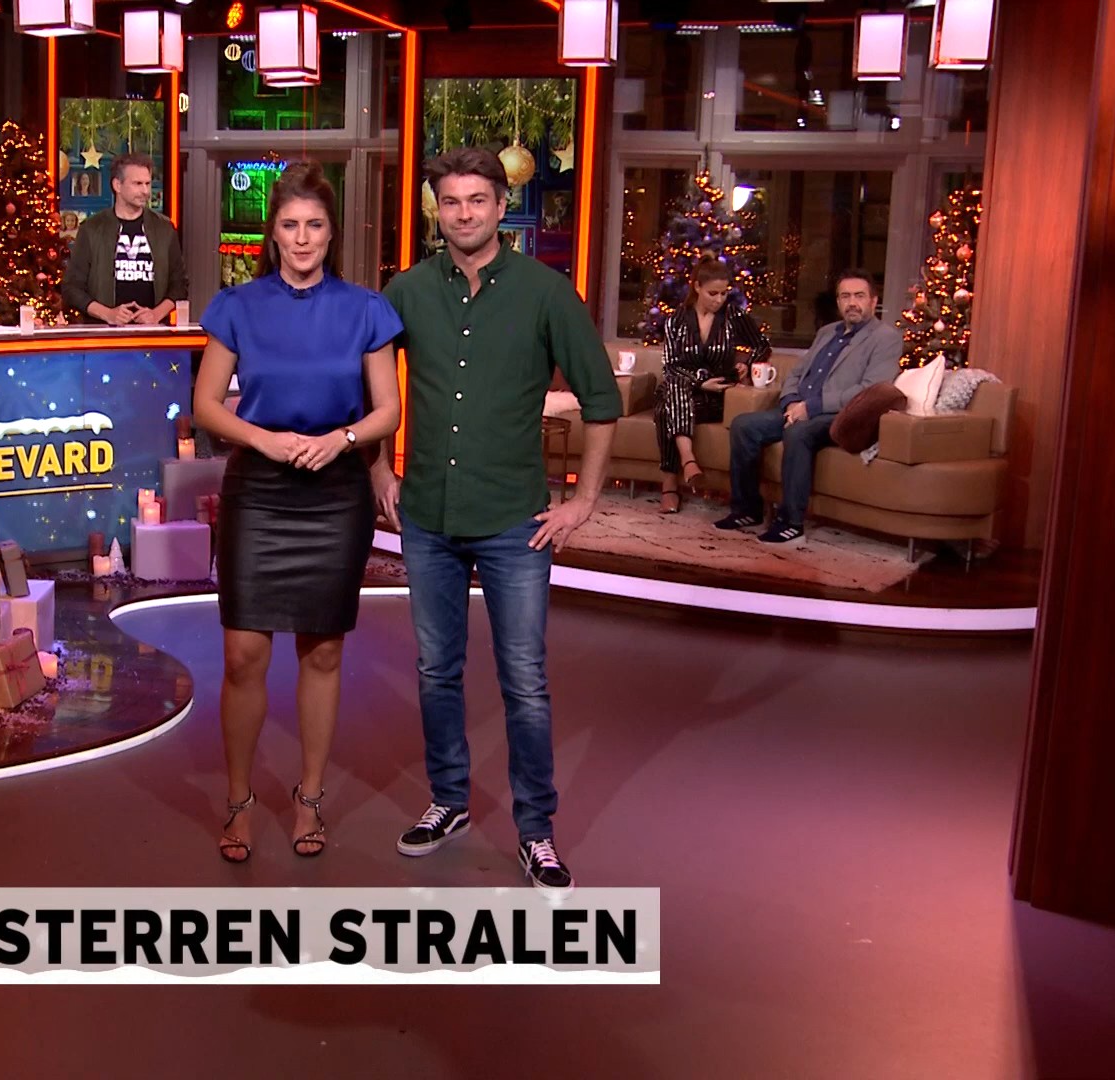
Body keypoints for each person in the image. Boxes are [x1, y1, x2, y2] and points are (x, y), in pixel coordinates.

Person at [373, 147, 622, 900]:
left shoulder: (546, 292)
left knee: (524, 680)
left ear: (501, 205)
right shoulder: (407, 290)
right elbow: (375, 387)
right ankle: (448, 800)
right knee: (436, 670)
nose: (464, 214)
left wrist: (583, 500)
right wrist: (380, 467)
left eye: (477, 200)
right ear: (436, 210)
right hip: (428, 515)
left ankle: (536, 830)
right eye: (451, 202)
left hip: (516, 519)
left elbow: (601, 399)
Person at [192, 161, 402, 863]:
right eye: (290, 225)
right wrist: (266, 440)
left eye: (314, 224)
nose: (303, 237)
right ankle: (240, 800)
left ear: (331, 232)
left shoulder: (366, 310)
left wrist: (340, 440)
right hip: (260, 488)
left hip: (335, 491)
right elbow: (207, 405)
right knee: (243, 653)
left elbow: (387, 411)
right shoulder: (237, 306)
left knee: (324, 649)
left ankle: (309, 797)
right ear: (273, 234)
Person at [716, 269, 900, 545]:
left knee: (798, 432)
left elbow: (870, 390)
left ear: (873, 301)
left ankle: (791, 523)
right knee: (744, 425)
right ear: (838, 301)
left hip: (840, 415)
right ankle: (747, 510)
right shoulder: (827, 333)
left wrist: (811, 407)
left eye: (859, 296)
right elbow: (796, 374)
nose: (852, 302)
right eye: (845, 296)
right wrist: (791, 401)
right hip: (799, 408)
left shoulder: (885, 337)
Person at [653, 260, 771, 514]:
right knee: (674, 388)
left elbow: (762, 345)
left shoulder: (733, 316)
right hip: (685, 389)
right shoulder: (676, 320)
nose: (719, 300)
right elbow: (671, 366)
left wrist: (747, 364)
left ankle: (670, 485)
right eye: (713, 293)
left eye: (724, 293)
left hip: (716, 397)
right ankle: (687, 460)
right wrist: (699, 382)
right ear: (697, 287)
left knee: (665, 408)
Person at [61, 154, 188, 326]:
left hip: (152, 332)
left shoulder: (164, 229)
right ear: (117, 185)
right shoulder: (91, 229)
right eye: (138, 184)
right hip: (104, 333)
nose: (145, 191)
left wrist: (156, 314)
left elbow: (180, 285)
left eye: (148, 183)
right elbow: (72, 288)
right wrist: (108, 314)